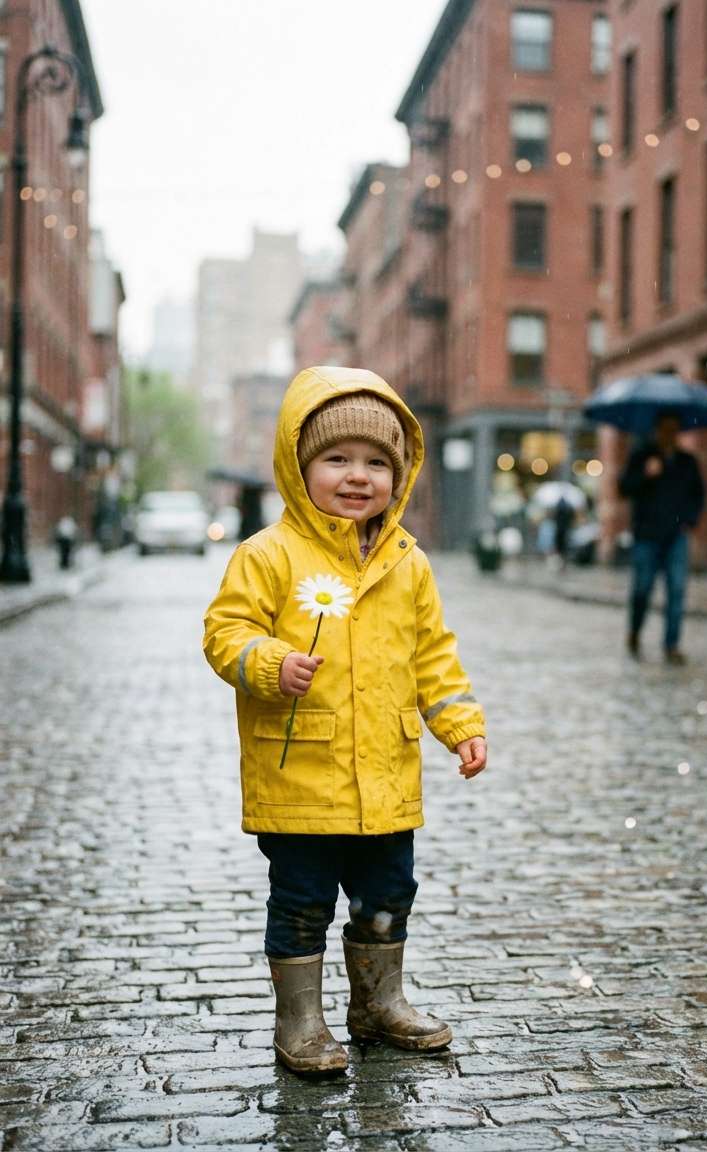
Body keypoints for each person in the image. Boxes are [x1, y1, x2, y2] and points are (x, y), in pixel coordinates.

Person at [203, 367, 487, 1076]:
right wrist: (270, 663)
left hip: (386, 775)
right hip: (299, 776)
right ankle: (300, 1020)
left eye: (376, 463)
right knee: (302, 902)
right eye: (336, 459)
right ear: (300, 470)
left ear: (400, 473)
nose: (357, 476)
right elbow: (225, 632)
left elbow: (432, 654)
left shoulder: (406, 562)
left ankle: (378, 1002)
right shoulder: (268, 555)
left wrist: (460, 723)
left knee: (388, 894)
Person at [619, 411, 705, 664]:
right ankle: (635, 631)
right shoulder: (641, 455)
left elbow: (698, 494)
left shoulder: (687, 461)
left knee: (677, 590)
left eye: (673, 429)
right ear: (657, 430)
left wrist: (689, 520)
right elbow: (624, 487)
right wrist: (646, 474)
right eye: (664, 429)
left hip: (675, 536)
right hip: (646, 534)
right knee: (642, 589)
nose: (669, 434)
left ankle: (671, 644)